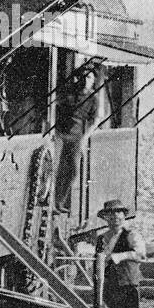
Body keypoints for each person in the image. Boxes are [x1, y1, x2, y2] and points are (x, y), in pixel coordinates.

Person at [52, 65, 100, 213]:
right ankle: (50, 202)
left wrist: (85, 137)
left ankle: (59, 202)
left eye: (89, 77)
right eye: (84, 77)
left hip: (77, 137)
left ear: (93, 81)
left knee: (72, 170)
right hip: (60, 134)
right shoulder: (68, 94)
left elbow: (95, 120)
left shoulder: (93, 98)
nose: (86, 80)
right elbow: (55, 109)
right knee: (55, 167)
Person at [95, 199, 145, 308]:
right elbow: (98, 260)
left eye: (118, 212)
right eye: (111, 213)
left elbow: (140, 254)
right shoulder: (102, 238)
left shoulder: (131, 235)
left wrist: (119, 257)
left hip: (127, 284)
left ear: (124, 216)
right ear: (105, 217)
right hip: (109, 285)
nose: (115, 216)